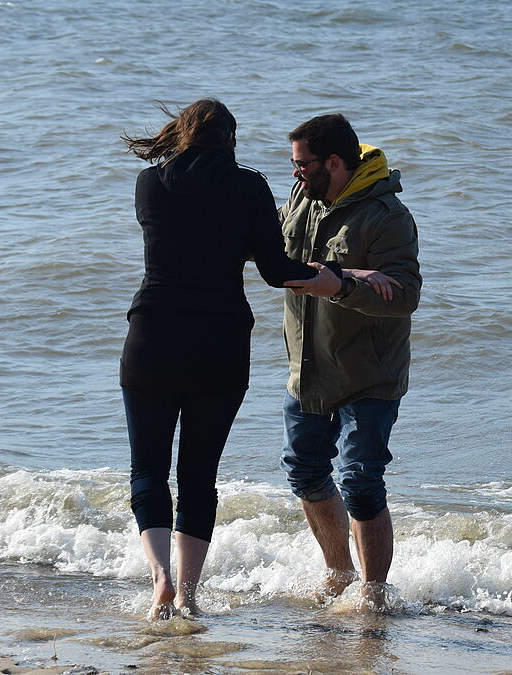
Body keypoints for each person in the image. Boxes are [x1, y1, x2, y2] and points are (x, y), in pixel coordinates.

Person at [120, 99, 321, 619]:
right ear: (231, 139)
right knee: (198, 474)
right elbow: (277, 271)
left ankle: (159, 580)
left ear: (182, 134)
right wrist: (342, 278)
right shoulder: (249, 186)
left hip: (153, 336)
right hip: (221, 341)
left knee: (148, 468)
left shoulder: (150, 183)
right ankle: (188, 595)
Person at [276, 114, 421, 603]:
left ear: (333, 162)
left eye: (302, 164)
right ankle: (338, 577)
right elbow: (280, 259)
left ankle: (373, 595)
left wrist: (341, 285)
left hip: (369, 372)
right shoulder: (302, 198)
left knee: (360, 482)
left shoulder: (387, 216)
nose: (294, 173)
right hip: (308, 367)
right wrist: (348, 272)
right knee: (305, 471)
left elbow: (403, 295)